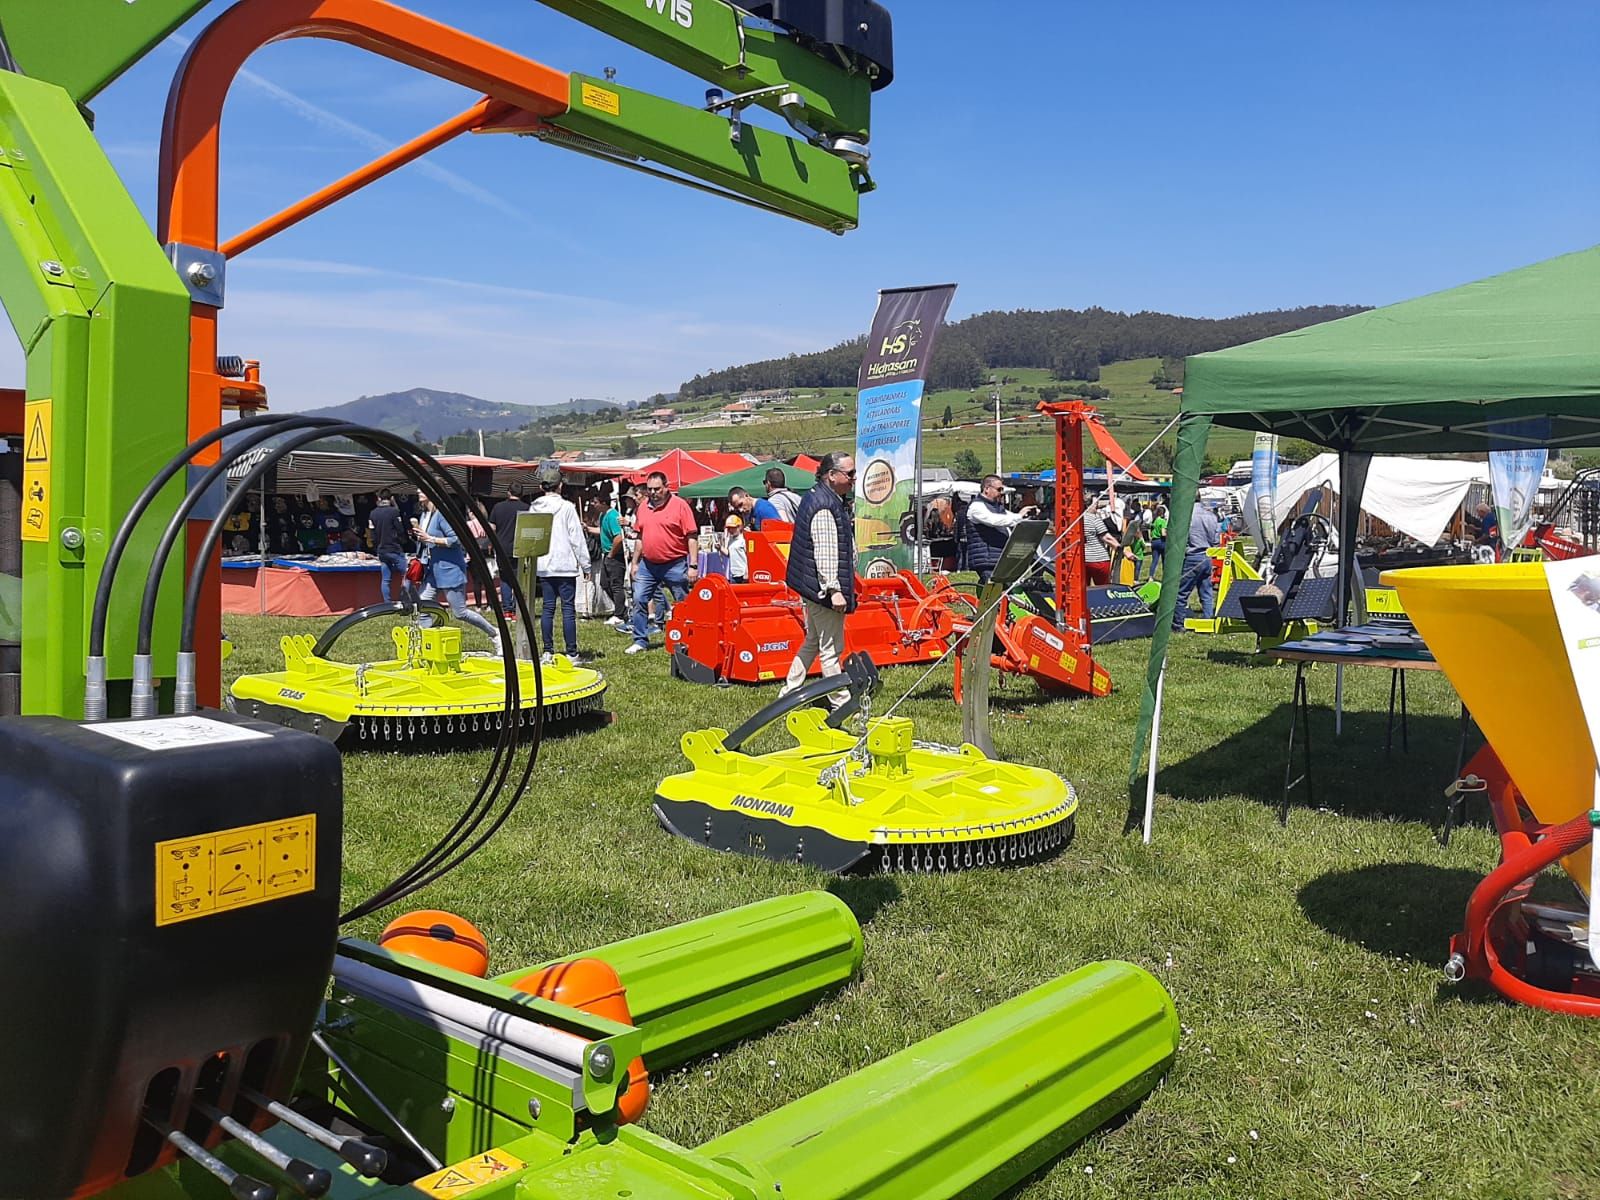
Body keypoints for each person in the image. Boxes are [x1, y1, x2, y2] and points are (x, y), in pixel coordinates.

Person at [779, 453, 857, 708]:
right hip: (823, 589)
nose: (853, 479)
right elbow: (825, 551)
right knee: (831, 648)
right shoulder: (825, 505)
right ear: (831, 475)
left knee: (814, 640)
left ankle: (789, 691)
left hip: (811, 586)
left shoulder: (818, 496)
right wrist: (833, 589)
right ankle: (841, 702)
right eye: (849, 474)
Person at [413, 490, 502, 655]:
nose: (418, 491)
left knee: (460, 613)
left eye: (422, 489)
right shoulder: (425, 514)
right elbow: (426, 539)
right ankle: (426, 646)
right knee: (422, 605)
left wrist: (430, 539)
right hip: (432, 569)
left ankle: (495, 634)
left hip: (449, 569)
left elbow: (457, 539)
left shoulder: (443, 513)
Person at [626, 470, 697, 655]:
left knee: (682, 602)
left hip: (675, 563)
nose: (653, 493)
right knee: (639, 599)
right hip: (648, 565)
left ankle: (689, 637)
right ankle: (640, 640)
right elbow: (640, 537)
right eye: (650, 489)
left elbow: (691, 536)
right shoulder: (643, 507)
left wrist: (693, 565)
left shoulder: (680, 506)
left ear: (666, 487)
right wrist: (635, 562)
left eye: (657, 489)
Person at [529, 462, 590, 663]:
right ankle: (571, 652)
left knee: (547, 608)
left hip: (544, 564)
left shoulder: (534, 508)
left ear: (541, 487)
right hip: (565, 564)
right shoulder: (567, 508)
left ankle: (547, 650)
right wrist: (585, 564)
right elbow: (577, 538)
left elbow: (530, 536)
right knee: (567, 610)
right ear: (560, 486)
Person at [964, 474, 1039, 587]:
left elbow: (1011, 518)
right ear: (987, 489)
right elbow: (995, 520)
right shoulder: (976, 507)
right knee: (995, 592)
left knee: (1006, 592)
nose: (1001, 492)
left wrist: (1027, 515)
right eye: (999, 489)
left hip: (1000, 559)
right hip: (986, 559)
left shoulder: (998, 508)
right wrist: (1019, 516)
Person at [1171, 503, 1223, 631]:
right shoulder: (1211, 516)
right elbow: (1216, 540)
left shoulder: (1187, 516)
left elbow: (1179, 538)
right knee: (1206, 591)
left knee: (1181, 593)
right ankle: (1208, 621)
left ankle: (1178, 624)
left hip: (1192, 556)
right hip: (1207, 556)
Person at [488, 481, 529, 617]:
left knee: (505, 579)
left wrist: (490, 543)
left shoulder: (498, 507)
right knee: (519, 580)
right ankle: (518, 609)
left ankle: (507, 610)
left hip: (502, 548)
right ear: (521, 494)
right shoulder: (527, 508)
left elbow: (491, 528)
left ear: (508, 492)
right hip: (521, 548)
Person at [368, 490, 409, 604]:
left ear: (379, 499)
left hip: (381, 550)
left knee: (385, 579)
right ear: (391, 498)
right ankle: (406, 599)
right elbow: (400, 529)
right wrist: (403, 540)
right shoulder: (394, 512)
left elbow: (372, 533)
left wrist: (376, 546)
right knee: (407, 574)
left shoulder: (373, 513)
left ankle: (387, 602)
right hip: (394, 548)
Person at [1080, 497, 1116, 586]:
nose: (1098, 506)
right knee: (1103, 588)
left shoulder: (1077, 519)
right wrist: (1121, 549)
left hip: (1082, 559)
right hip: (1099, 559)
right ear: (1089, 505)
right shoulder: (1094, 519)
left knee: (1084, 589)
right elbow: (1107, 538)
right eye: (1096, 504)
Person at [723, 513, 749, 583]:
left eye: (733, 528)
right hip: (734, 573)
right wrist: (720, 548)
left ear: (739, 527)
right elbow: (729, 554)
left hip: (743, 574)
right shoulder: (730, 539)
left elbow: (750, 557)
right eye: (728, 528)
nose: (730, 530)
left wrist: (747, 572)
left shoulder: (744, 539)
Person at [1147, 503, 1168, 580]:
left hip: (1154, 541)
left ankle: (1150, 577)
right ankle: (1165, 576)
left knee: (1154, 560)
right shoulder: (1162, 521)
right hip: (1161, 541)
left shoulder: (1154, 520)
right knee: (1164, 560)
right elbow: (1163, 533)